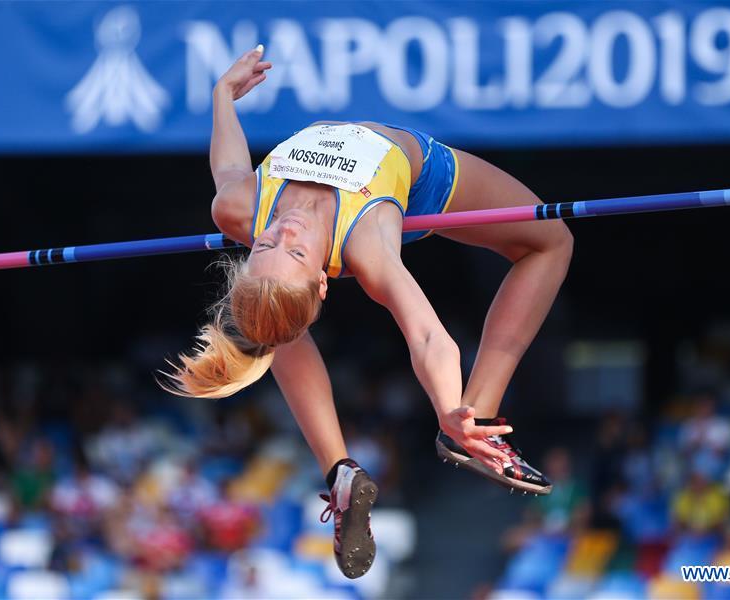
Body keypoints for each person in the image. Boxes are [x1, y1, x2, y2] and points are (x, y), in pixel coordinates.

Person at [162, 46, 573, 578]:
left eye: (265, 248)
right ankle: (480, 418)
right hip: (421, 182)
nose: (284, 233)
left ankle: (340, 468)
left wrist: (222, 97)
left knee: (275, 317)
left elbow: (230, 165)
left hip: (344, 213)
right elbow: (427, 338)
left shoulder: (241, 210)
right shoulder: (369, 245)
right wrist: (452, 408)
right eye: (295, 253)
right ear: (321, 279)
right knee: (551, 243)